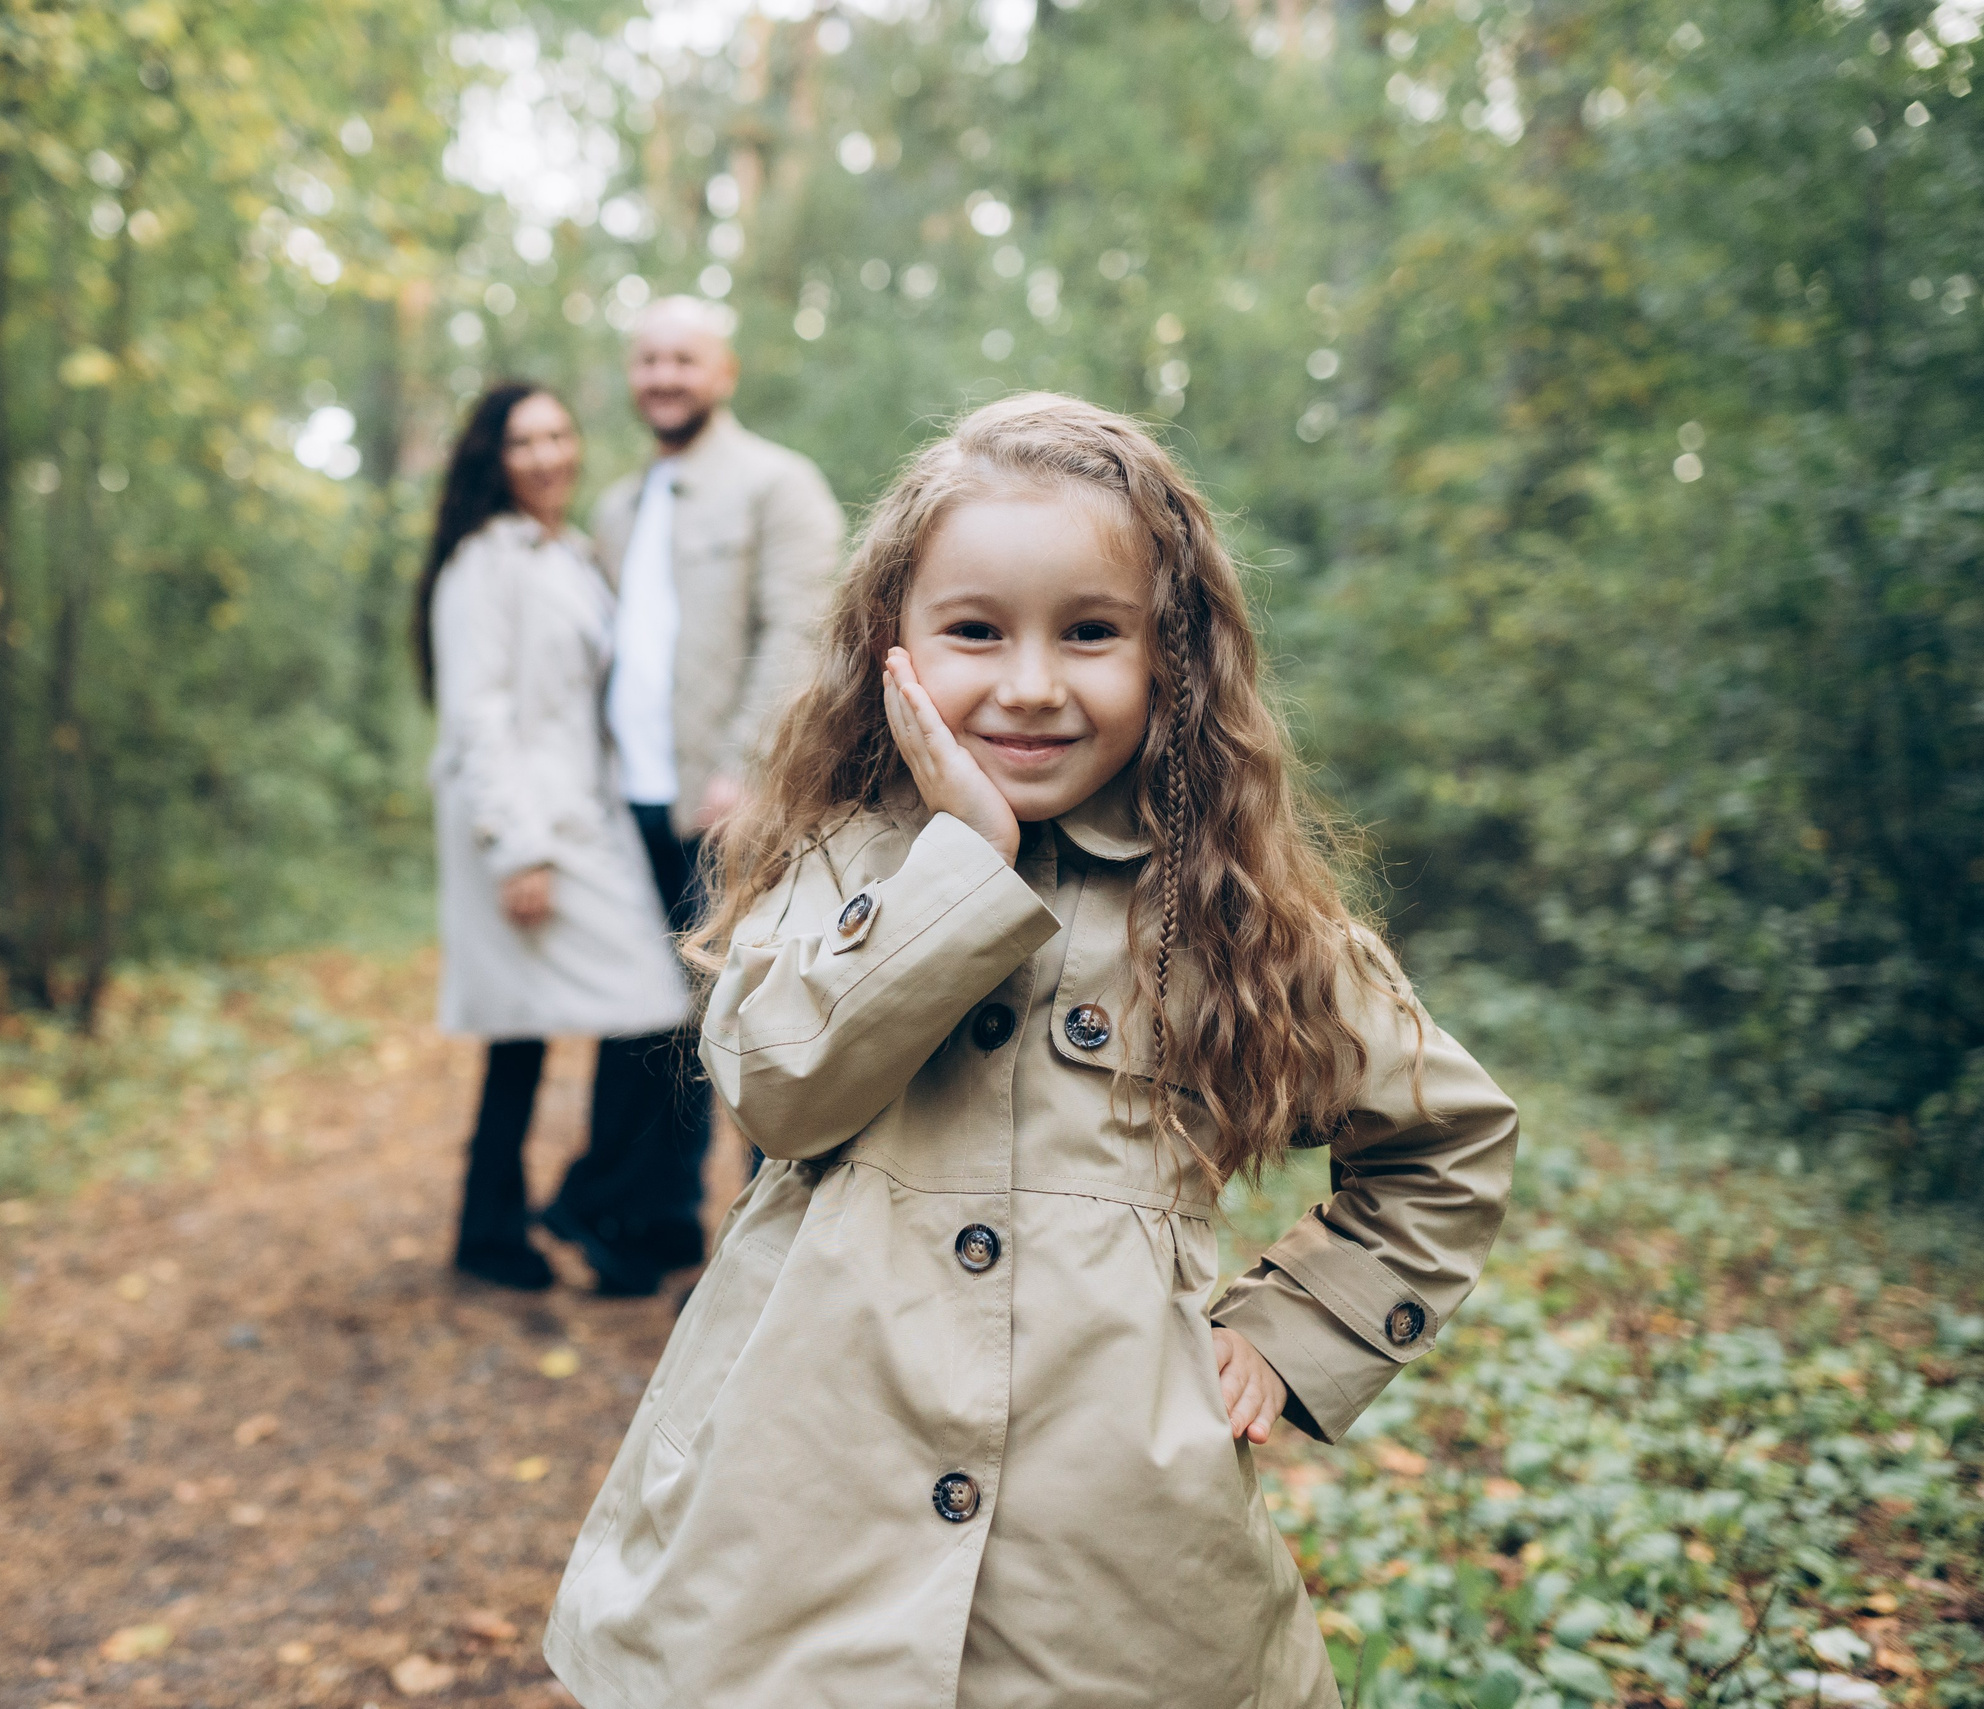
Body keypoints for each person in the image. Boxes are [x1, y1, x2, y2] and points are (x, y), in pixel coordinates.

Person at [543, 394, 1520, 1706]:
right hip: (799, 1525)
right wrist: (963, 867)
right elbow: (778, 1089)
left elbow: (1445, 1143)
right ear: (893, 644)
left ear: (1171, 656)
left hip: (1111, 1568)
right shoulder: (838, 860)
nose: (1031, 684)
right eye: (975, 631)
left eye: (1092, 633)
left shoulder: (1236, 914)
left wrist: (1297, 1331)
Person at [539, 297, 844, 1295]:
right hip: (626, 799)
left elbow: (798, 631)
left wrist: (747, 770)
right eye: (646, 359)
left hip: (729, 804)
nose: (662, 375)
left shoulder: (777, 487)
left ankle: (770, 1258)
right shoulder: (619, 506)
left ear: (724, 371)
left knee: (740, 1022)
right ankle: (644, 1225)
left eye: (683, 358)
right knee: (639, 1021)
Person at [417, 382, 693, 1292]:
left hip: (579, 810)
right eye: (523, 441)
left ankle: (488, 1228)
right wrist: (516, 847)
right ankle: (581, 1200)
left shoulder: (570, 553)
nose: (546, 456)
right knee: (653, 1004)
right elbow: (477, 716)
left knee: (523, 1028)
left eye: (558, 435)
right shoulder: (481, 563)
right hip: (525, 822)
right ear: (492, 459)